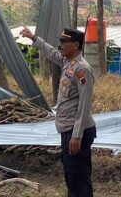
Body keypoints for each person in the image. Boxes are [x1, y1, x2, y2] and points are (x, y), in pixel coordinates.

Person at [21, 26, 96, 197]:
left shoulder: (82, 69)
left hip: (78, 133)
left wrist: (77, 135)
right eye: (60, 41)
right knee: (71, 175)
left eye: (64, 42)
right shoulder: (69, 63)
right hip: (67, 130)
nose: (60, 45)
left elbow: (85, 105)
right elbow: (52, 53)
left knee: (79, 177)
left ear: (75, 45)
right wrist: (34, 38)